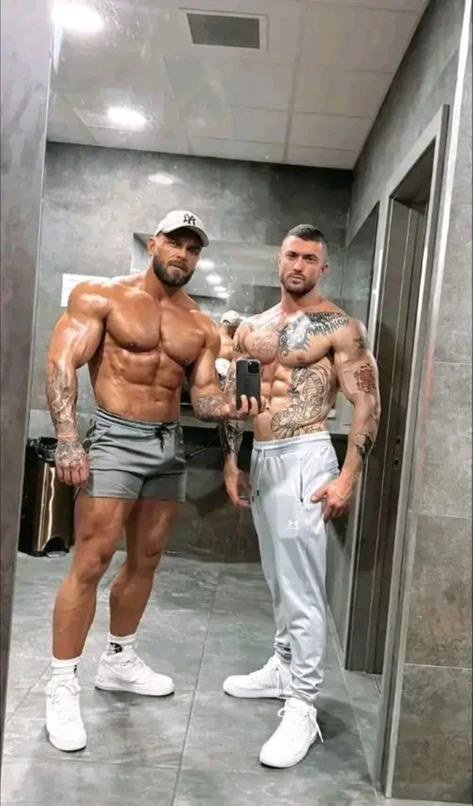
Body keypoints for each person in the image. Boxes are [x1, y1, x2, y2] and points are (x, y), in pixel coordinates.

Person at [44, 209, 261, 753]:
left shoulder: (201, 325)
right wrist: (68, 438)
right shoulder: (103, 296)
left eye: (193, 248)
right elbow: (61, 362)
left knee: (146, 559)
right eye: (176, 243)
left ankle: (119, 660)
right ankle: (62, 682)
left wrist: (230, 406)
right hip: (114, 437)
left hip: (167, 445)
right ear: (154, 243)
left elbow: (202, 395)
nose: (183, 254)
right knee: (91, 560)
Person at [220, 224, 381, 769]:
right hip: (263, 459)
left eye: (311, 258)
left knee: (303, 589)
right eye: (292, 255)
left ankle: (303, 704)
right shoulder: (253, 327)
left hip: (307, 455)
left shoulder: (340, 327)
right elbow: (236, 395)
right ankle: (283, 666)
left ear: (323, 268)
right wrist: (232, 459)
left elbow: (367, 404)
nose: (299, 265)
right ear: (279, 260)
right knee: (276, 577)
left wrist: (348, 476)